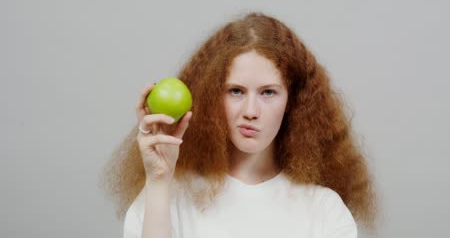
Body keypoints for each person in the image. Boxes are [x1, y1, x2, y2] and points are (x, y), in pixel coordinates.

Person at [101, 12, 376, 238]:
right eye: (236, 91)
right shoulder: (166, 195)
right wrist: (159, 180)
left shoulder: (324, 209)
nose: (251, 111)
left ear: (294, 102)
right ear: (211, 97)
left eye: (268, 92)